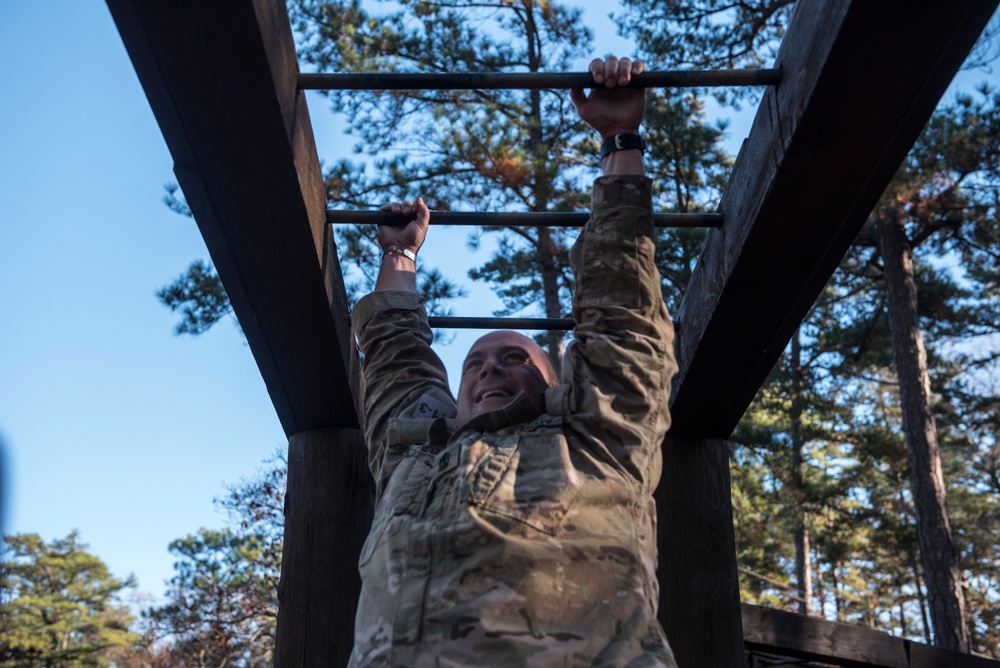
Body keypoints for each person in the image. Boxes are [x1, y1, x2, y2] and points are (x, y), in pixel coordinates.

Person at [349, 56, 678, 667]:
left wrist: (619, 140)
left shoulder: (597, 439)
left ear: (557, 387)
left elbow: (623, 317)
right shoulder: (414, 455)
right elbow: (397, 361)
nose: (489, 369)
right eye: (476, 362)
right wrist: (399, 255)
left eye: (514, 358)